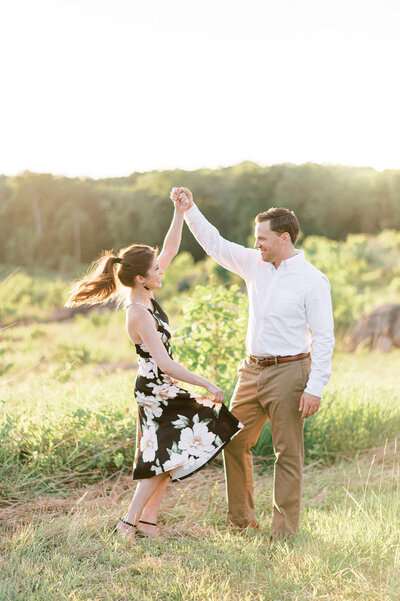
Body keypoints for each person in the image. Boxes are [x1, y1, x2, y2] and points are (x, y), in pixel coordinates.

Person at [66, 198, 243, 539]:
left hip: (161, 387)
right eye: (157, 269)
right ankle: (128, 523)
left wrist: (179, 212)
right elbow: (164, 363)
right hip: (155, 390)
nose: (162, 271)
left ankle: (147, 523)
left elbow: (172, 247)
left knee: (167, 456)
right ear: (141, 278)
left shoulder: (145, 291)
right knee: (170, 451)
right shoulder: (137, 312)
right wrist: (204, 382)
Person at [170, 187, 335, 540]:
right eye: (255, 238)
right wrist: (190, 209)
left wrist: (315, 387)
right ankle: (242, 521)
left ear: (284, 238)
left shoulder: (312, 281)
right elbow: (215, 244)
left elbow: (324, 337)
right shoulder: (252, 264)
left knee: (287, 453)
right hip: (251, 370)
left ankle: (284, 533)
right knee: (233, 440)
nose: (256, 243)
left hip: (291, 372)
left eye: (262, 237)